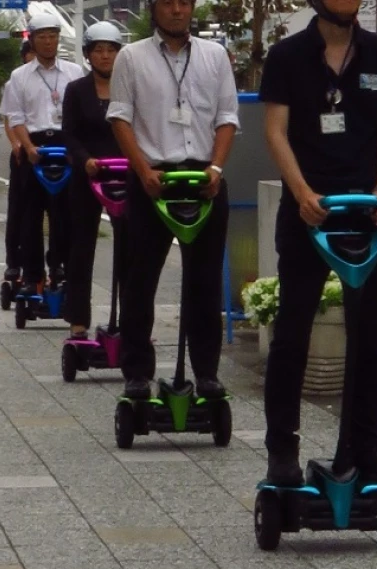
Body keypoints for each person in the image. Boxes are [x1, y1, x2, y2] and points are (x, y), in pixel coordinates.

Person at [257, 0, 377, 486]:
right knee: (292, 334)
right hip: (309, 212)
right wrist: (302, 193)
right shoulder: (286, 56)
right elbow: (275, 132)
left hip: (366, 213)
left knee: (368, 338)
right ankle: (282, 449)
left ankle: (365, 446)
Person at [107, 0, 239, 400]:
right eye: (168, 3)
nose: (177, 10)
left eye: (184, 2)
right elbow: (120, 117)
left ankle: (208, 373)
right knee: (140, 280)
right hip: (154, 179)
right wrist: (142, 170)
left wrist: (216, 169)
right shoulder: (131, 57)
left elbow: (227, 117)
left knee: (204, 282)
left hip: (203, 179)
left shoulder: (215, 56)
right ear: (154, 9)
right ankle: (136, 372)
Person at [4, 13, 83, 294]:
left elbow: (79, 115)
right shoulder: (20, 77)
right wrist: (27, 148)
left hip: (65, 147)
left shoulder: (74, 73)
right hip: (33, 147)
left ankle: (60, 265)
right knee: (30, 216)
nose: (48, 42)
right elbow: (15, 117)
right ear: (33, 40)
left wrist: (76, 150)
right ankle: (32, 274)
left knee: (64, 213)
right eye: (42, 37)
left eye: (53, 36)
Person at [62, 22, 128, 341]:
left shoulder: (130, 87)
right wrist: (85, 159)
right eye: (98, 50)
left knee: (131, 248)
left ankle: (131, 319)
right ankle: (78, 320)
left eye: (111, 50)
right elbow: (69, 134)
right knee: (82, 248)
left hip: (125, 174)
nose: (105, 56)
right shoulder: (76, 90)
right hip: (87, 176)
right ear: (88, 55)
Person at [0, 40, 35, 285]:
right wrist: (16, 144)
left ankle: (55, 264)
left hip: (52, 153)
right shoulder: (17, 81)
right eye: (31, 53)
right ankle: (14, 262)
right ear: (25, 56)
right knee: (19, 211)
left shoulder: (64, 77)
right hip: (24, 154)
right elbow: (10, 119)